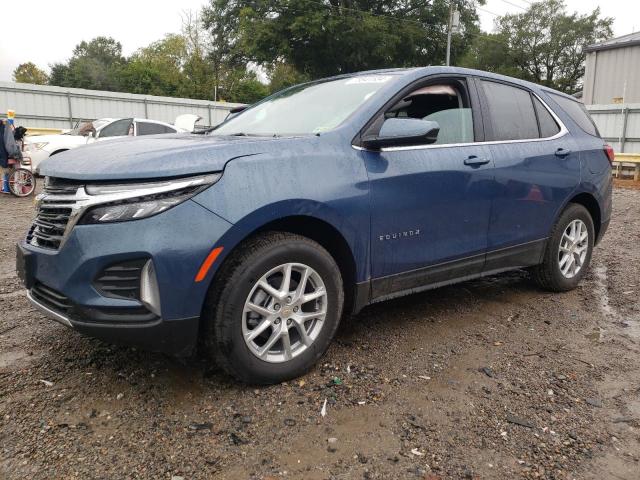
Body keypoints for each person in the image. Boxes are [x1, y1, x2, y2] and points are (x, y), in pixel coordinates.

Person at [0, 119, 23, 194]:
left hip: (6, 154)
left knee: (7, 172)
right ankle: (15, 189)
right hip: (9, 154)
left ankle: (6, 188)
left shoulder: (5, 128)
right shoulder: (6, 128)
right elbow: (9, 144)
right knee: (15, 171)